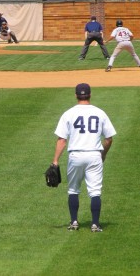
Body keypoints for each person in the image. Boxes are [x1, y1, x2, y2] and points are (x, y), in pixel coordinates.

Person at [50, 83, 116, 232]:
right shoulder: (100, 113)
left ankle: (74, 222)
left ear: (76, 96)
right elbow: (109, 139)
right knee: (95, 191)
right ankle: (95, 224)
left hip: (75, 155)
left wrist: (55, 161)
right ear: (90, 95)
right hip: (94, 155)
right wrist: (103, 154)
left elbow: (62, 140)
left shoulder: (68, 113)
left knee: (73, 190)